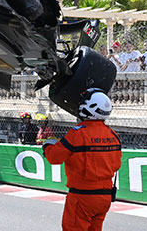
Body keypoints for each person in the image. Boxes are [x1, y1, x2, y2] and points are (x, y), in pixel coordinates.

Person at [43, 89, 122, 231]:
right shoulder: (112, 135)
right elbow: (116, 165)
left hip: (82, 196)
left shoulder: (78, 133)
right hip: (104, 198)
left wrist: (47, 145)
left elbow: (54, 158)